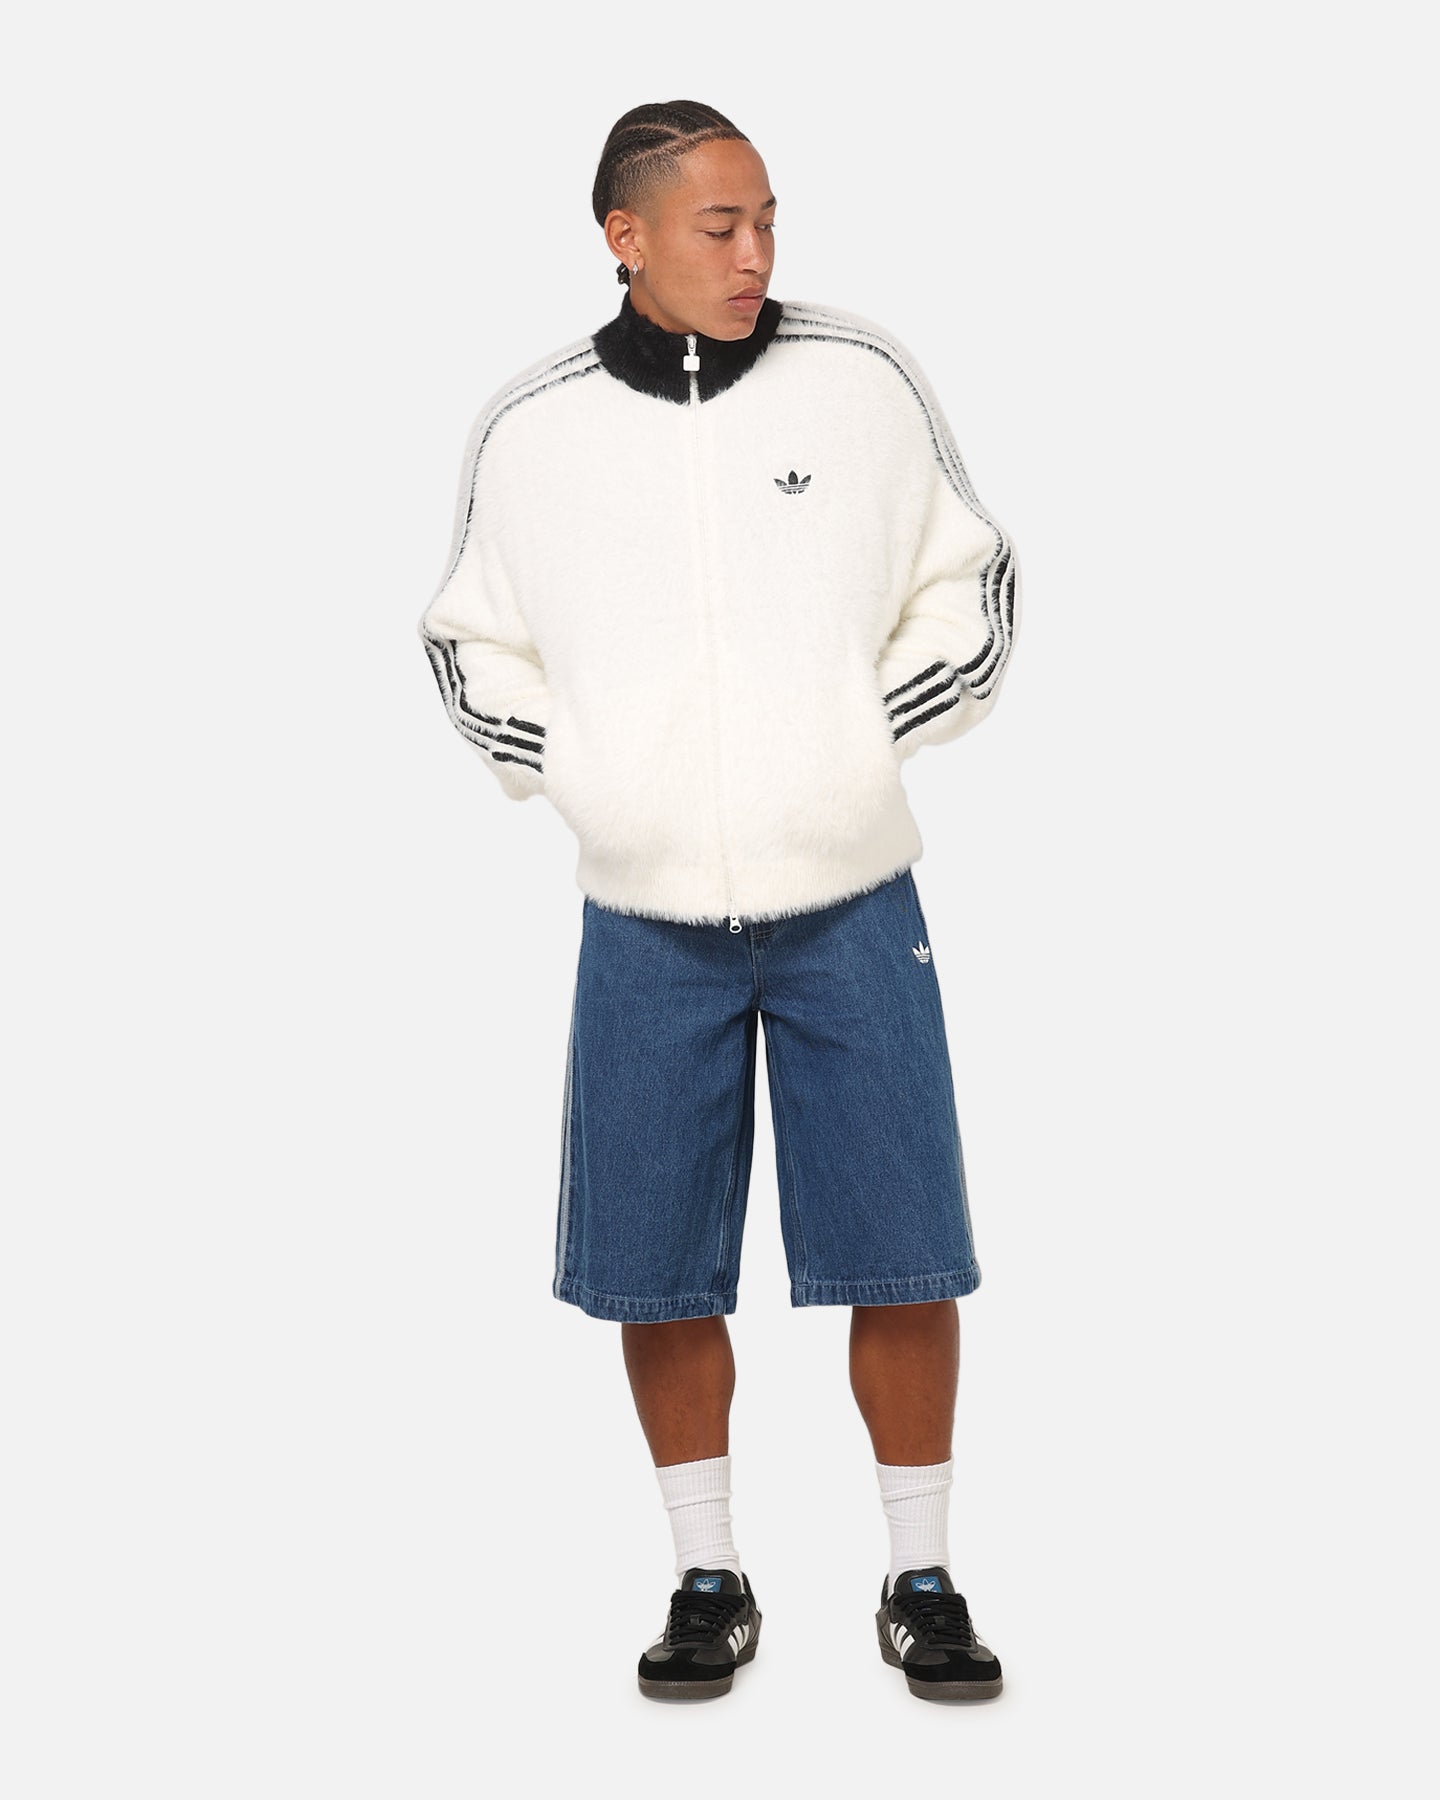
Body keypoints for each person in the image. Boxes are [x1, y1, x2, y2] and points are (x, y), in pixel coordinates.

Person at [417, 99, 1020, 1703]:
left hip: (851, 896)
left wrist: (855, 739)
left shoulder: (862, 380)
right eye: (718, 227)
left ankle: (922, 1576)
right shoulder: (534, 430)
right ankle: (706, 1575)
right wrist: (590, 772)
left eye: (768, 223)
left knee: (904, 1247)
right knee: (658, 1259)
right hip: (643, 917)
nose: (756, 256)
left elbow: (974, 580)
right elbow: (466, 641)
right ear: (624, 237)